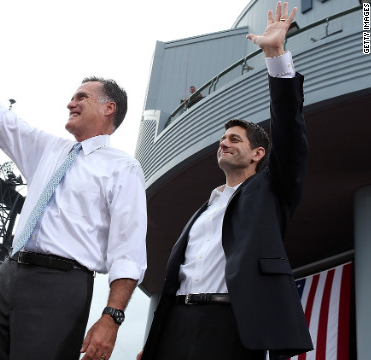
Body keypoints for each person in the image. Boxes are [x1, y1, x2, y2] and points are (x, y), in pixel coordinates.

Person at [0, 12, 147, 360]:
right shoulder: (48, 150)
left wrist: (111, 318)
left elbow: (128, 252)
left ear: (108, 108)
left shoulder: (123, 169)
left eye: (82, 97)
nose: (71, 102)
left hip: (61, 284)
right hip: (9, 273)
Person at [139, 2, 313, 360]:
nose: (225, 142)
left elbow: (290, 130)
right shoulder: (202, 211)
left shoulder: (271, 192)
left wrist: (276, 55)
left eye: (235, 139)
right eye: (223, 139)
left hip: (231, 327)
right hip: (176, 326)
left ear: (257, 155)